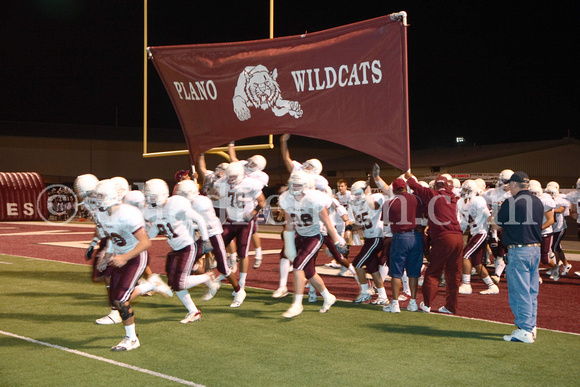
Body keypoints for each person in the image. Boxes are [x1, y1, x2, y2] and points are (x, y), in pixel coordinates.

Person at [143, 178, 220, 323]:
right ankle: (193, 311)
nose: (150, 199)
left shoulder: (176, 204)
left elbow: (199, 219)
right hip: (175, 248)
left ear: (162, 194)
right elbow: (155, 228)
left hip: (187, 247)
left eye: (152, 196)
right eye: (148, 196)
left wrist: (205, 240)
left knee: (179, 283)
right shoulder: (152, 211)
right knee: (174, 283)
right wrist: (144, 241)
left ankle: (207, 277)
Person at [92, 179, 152, 351]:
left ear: (111, 196)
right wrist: (107, 257)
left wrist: (125, 257)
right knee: (116, 299)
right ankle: (148, 286)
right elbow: (112, 237)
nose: (97, 199)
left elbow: (145, 242)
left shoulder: (127, 213)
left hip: (136, 256)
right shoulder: (102, 213)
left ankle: (131, 339)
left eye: (100, 195)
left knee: (120, 299)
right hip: (120, 256)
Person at [279, 171, 348, 318]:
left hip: (315, 237)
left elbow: (328, 225)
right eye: (293, 183)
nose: (294, 187)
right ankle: (328, 296)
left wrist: (337, 241)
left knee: (298, 265)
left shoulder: (314, 199)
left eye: (298, 184)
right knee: (309, 273)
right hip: (301, 236)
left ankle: (297, 304)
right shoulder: (288, 199)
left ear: (306, 185)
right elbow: (289, 225)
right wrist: (289, 245)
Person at [174, 179, 247, 308]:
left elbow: (201, 223)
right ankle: (211, 283)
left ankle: (239, 291)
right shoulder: (192, 202)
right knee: (189, 264)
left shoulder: (200, 203)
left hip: (213, 234)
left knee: (223, 267)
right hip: (203, 234)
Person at [491, 171, 544, 343]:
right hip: (535, 249)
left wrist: (492, 215)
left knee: (520, 292)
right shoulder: (537, 201)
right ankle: (531, 326)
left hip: (519, 250)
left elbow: (497, 224)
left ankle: (525, 329)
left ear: (514, 184)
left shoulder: (511, 202)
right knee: (531, 291)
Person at [405, 172, 464, 315]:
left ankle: (427, 304)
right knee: (453, 274)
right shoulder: (453, 198)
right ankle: (451, 307)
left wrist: (409, 175)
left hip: (444, 237)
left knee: (433, 272)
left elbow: (413, 185)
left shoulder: (433, 195)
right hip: (458, 237)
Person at [214, 162, 266, 302]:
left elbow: (262, 202)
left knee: (243, 252)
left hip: (244, 222)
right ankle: (226, 272)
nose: (231, 179)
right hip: (230, 220)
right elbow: (217, 192)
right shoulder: (223, 182)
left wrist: (252, 213)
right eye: (229, 176)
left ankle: (242, 282)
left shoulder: (251, 184)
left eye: (234, 176)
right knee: (217, 247)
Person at [381, 178, 423, 313]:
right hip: (416, 236)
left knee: (396, 272)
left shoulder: (390, 203)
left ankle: (395, 303)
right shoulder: (417, 199)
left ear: (394, 189)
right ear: (405, 187)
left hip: (400, 237)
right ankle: (413, 302)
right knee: (414, 272)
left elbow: (386, 222)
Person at [228, 142, 269, 269]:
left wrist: (254, 212)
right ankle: (232, 257)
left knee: (253, 232)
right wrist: (231, 145)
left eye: (254, 164)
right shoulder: (243, 165)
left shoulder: (261, 176)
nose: (250, 164)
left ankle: (258, 254)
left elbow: (257, 192)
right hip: (236, 204)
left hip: (250, 205)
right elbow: (234, 160)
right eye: (251, 161)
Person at [347, 180, 388, 306]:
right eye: (354, 195)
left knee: (357, 263)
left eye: (358, 194)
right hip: (368, 238)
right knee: (372, 269)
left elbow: (375, 206)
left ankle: (365, 293)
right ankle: (383, 296)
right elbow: (360, 224)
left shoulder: (376, 197)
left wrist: (367, 195)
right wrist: (350, 228)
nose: (356, 197)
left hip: (376, 238)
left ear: (365, 190)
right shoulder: (355, 204)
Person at [457, 180, 499, 295]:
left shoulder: (478, 201)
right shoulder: (462, 202)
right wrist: (458, 233)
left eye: (466, 190)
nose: (463, 192)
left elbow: (488, 217)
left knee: (465, 255)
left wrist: (495, 228)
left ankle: (466, 284)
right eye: (463, 189)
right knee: (476, 262)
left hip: (481, 232)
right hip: (474, 232)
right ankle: (492, 286)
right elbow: (465, 223)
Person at [483, 169, 513, 283]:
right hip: (496, 224)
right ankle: (499, 271)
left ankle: (499, 272)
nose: (503, 183)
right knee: (496, 247)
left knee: (508, 249)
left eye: (505, 180)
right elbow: (485, 203)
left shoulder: (515, 194)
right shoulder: (493, 192)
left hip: (509, 225)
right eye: (502, 180)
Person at [528, 180, 557, 281]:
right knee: (531, 255)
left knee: (545, 259)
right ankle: (537, 276)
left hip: (545, 232)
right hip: (532, 233)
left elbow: (551, 220)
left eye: (534, 193)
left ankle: (555, 267)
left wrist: (539, 228)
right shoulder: (527, 202)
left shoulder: (545, 202)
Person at [545, 183, 572, 275]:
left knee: (554, 248)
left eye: (551, 192)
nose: (549, 194)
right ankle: (564, 264)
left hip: (559, 228)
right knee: (555, 247)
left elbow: (560, 210)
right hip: (552, 228)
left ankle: (557, 267)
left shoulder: (561, 200)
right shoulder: (546, 200)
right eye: (547, 192)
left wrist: (548, 209)